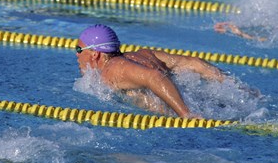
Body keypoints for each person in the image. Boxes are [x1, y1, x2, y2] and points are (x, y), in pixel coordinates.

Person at [75, 24, 228, 119]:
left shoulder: (112, 70)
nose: (76, 54)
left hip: (195, 116)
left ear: (95, 53)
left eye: (79, 49)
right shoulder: (143, 54)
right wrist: (235, 87)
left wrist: (186, 115)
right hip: (208, 104)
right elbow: (194, 63)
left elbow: (154, 77)